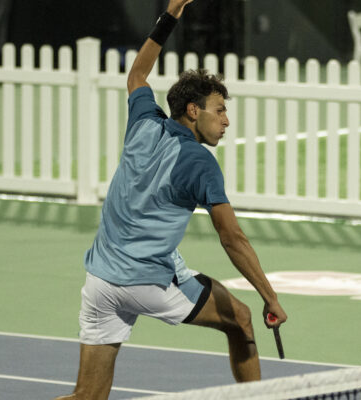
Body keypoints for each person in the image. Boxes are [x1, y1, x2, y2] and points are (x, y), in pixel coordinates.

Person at [54, 1, 287, 399]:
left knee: (86, 398)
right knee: (243, 320)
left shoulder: (144, 121)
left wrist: (171, 15)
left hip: (100, 281)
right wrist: (271, 297)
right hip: (146, 282)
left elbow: (138, 73)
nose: (227, 121)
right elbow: (233, 239)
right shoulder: (200, 163)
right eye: (220, 111)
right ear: (193, 111)